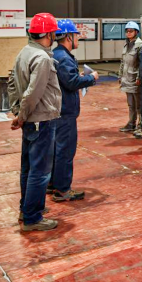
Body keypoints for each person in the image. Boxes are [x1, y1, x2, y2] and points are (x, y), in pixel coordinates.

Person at [8, 13, 62, 231]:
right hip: (41, 120)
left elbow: (12, 83)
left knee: (28, 168)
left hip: (31, 120)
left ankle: (26, 208)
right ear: (48, 34)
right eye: (54, 33)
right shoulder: (42, 58)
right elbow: (33, 93)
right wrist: (21, 116)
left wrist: (17, 111)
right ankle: (32, 218)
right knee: (40, 171)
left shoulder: (25, 52)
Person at [50, 19, 98, 202]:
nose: (78, 38)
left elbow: (66, 78)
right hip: (65, 112)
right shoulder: (64, 58)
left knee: (56, 150)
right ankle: (63, 189)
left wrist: (77, 76)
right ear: (68, 37)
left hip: (57, 109)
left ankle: (53, 183)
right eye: (76, 35)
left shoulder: (56, 54)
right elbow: (71, 83)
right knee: (65, 151)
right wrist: (92, 78)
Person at [118, 21, 142, 134]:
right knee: (131, 104)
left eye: (131, 31)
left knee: (139, 104)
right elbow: (123, 62)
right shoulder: (126, 45)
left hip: (135, 80)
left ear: (136, 32)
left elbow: (141, 64)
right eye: (127, 31)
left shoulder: (140, 45)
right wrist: (120, 75)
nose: (128, 33)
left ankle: (141, 124)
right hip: (127, 79)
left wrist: (139, 77)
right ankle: (131, 123)